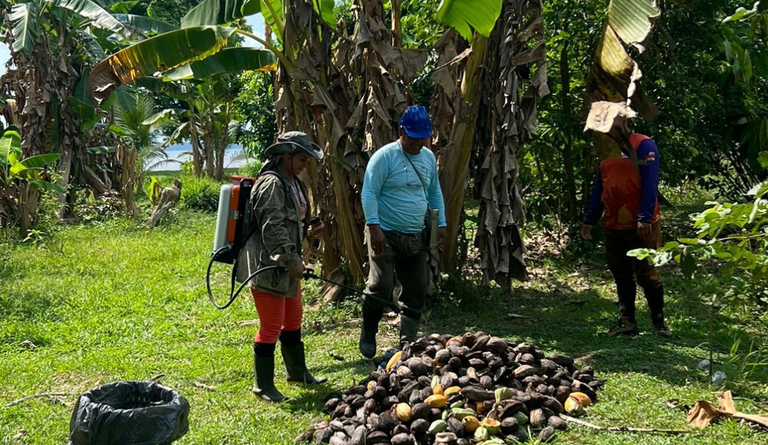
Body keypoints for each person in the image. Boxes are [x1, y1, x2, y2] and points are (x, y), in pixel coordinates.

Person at [237, 131, 327, 402]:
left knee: (293, 318)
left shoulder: (294, 183)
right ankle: (263, 386)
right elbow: (273, 228)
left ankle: (297, 372)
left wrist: (310, 227)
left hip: (289, 263)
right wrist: (291, 260)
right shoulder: (271, 184)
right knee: (272, 324)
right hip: (268, 264)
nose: (304, 164)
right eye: (301, 158)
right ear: (285, 156)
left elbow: (294, 220)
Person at [359, 105, 448, 359]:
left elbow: (434, 193)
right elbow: (369, 193)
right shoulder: (384, 157)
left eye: (422, 139)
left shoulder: (428, 158)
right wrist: (374, 227)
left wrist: (440, 224)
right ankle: (369, 328)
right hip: (384, 233)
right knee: (380, 285)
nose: (418, 144)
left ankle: (407, 345)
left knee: (416, 289)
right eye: (413, 138)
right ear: (401, 131)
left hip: (415, 235)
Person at [580, 113, 671, 338]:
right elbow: (600, 186)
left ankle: (659, 323)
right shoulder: (604, 151)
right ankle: (627, 321)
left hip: (641, 224)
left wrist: (644, 217)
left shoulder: (643, 145)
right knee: (620, 273)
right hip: (613, 223)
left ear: (623, 121)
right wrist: (590, 219)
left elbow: (651, 184)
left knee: (647, 273)